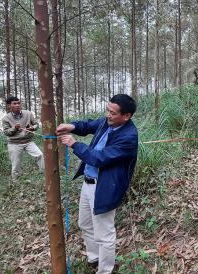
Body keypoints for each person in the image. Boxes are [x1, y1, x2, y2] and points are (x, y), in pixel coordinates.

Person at [56, 94, 138, 274]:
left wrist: (75, 144)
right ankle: (94, 258)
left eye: (113, 113)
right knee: (84, 223)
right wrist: (72, 126)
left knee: (104, 233)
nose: (108, 115)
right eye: (107, 110)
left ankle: (106, 270)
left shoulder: (129, 137)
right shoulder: (108, 122)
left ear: (126, 116)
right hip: (88, 183)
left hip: (105, 188)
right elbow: (89, 125)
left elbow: (98, 158)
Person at [2, 96, 44, 182]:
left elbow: (36, 125)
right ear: (9, 106)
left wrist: (32, 128)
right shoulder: (6, 118)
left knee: (40, 155)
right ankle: (16, 182)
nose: (17, 105)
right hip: (14, 143)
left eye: (18, 103)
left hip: (28, 141)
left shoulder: (28, 113)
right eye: (14, 103)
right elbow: (6, 132)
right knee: (16, 164)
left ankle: (44, 175)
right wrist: (15, 128)